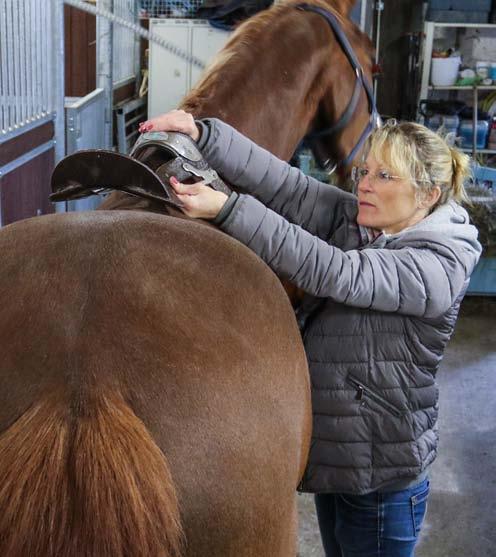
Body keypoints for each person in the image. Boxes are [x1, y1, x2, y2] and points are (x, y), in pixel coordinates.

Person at [139, 110, 481, 557]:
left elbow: (332, 270)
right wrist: (204, 134)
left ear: (428, 195)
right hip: (339, 456)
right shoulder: (368, 225)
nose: (364, 184)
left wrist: (226, 210)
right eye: (364, 171)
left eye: (384, 176)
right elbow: (290, 187)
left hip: (381, 474)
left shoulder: (437, 265)